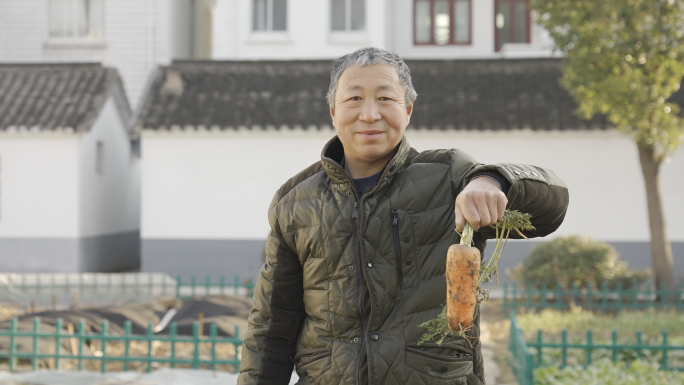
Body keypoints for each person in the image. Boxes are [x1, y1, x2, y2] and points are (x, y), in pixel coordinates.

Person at [237, 47, 569, 385]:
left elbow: (553, 206)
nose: (369, 114)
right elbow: (270, 328)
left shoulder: (448, 178)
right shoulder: (296, 201)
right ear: (333, 111)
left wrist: (493, 179)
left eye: (385, 99)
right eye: (354, 99)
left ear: (407, 109)